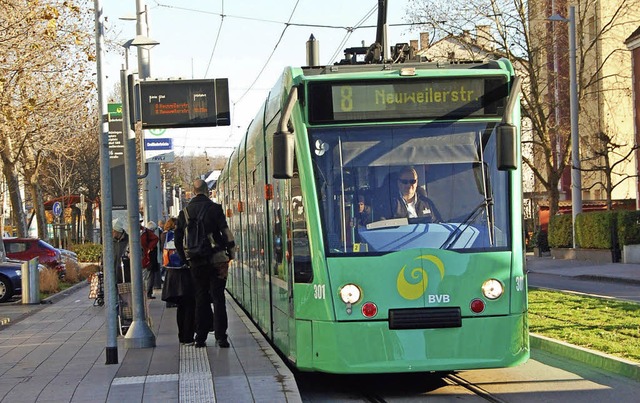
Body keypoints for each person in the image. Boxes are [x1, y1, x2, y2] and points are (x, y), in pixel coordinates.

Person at [175, 179, 235, 348]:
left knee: (200, 297)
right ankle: (221, 337)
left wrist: (185, 259)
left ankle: (200, 337)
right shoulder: (215, 209)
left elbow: (178, 239)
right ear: (207, 191)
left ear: (193, 192)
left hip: (196, 262)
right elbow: (226, 233)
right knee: (218, 298)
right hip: (217, 260)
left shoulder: (184, 212)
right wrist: (230, 253)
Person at [141, 218, 159, 299]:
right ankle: (148, 293)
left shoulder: (144, 234)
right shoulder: (149, 236)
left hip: (145, 259)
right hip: (149, 260)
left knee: (146, 276)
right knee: (149, 277)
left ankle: (145, 292)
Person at [112, 217, 129, 284]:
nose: (111, 232)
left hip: (125, 274)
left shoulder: (128, 240)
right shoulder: (110, 241)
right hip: (112, 274)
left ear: (117, 231)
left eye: (112, 230)